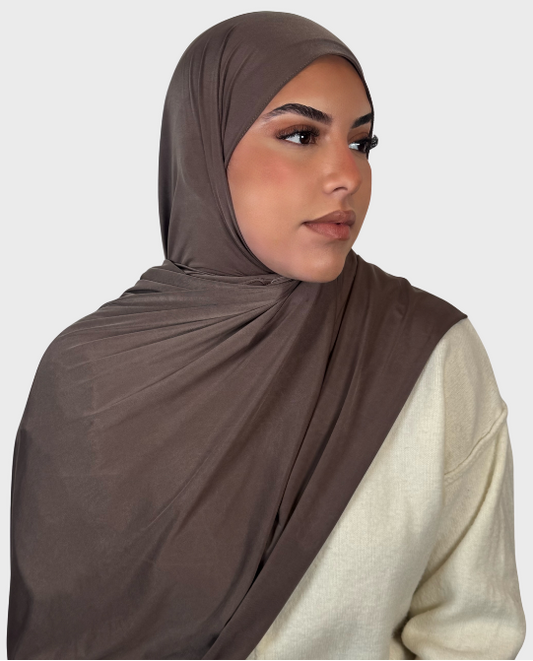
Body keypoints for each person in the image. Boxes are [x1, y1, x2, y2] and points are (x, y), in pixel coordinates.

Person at [7, 11, 526, 661]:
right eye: (301, 135)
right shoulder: (86, 374)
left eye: (361, 143)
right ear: (204, 147)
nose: (346, 175)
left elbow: (471, 633)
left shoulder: (424, 351)